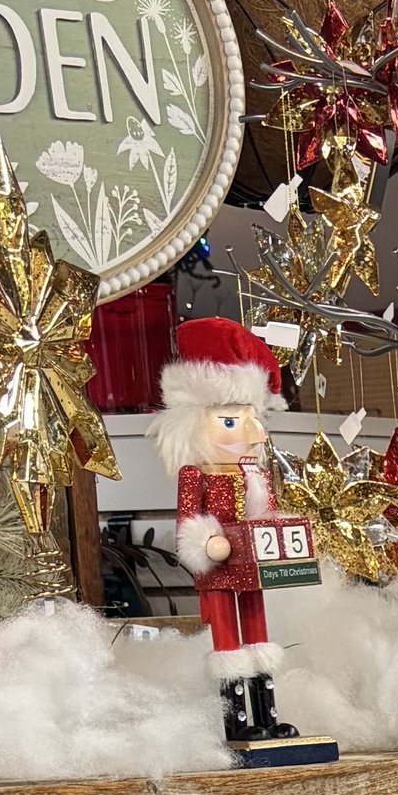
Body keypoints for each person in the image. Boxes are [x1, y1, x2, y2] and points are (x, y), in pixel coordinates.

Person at [151, 316, 317, 748]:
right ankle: (238, 719)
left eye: (249, 420)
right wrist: (208, 541)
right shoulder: (196, 472)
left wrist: (279, 534)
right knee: (228, 638)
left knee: (259, 632)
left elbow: (271, 511)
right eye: (229, 421)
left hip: (253, 566)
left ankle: (268, 713)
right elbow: (187, 519)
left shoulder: (254, 474)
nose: (247, 432)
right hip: (221, 569)